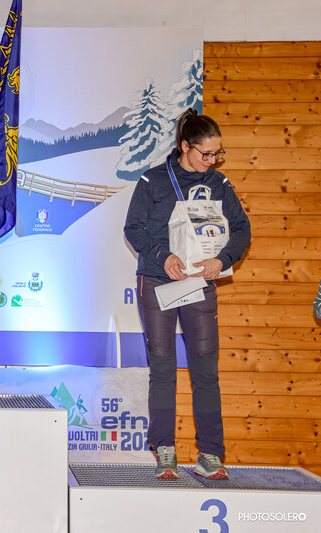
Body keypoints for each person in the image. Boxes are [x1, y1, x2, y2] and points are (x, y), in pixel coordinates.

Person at [124, 108, 251, 480]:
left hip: (199, 283)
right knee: (163, 369)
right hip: (159, 281)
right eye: (205, 154)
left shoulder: (219, 183)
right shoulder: (152, 180)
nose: (211, 161)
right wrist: (162, 257)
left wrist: (222, 260)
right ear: (184, 146)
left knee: (206, 370)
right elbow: (133, 229)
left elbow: (242, 229)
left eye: (217, 154)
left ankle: (210, 454)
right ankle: (164, 449)